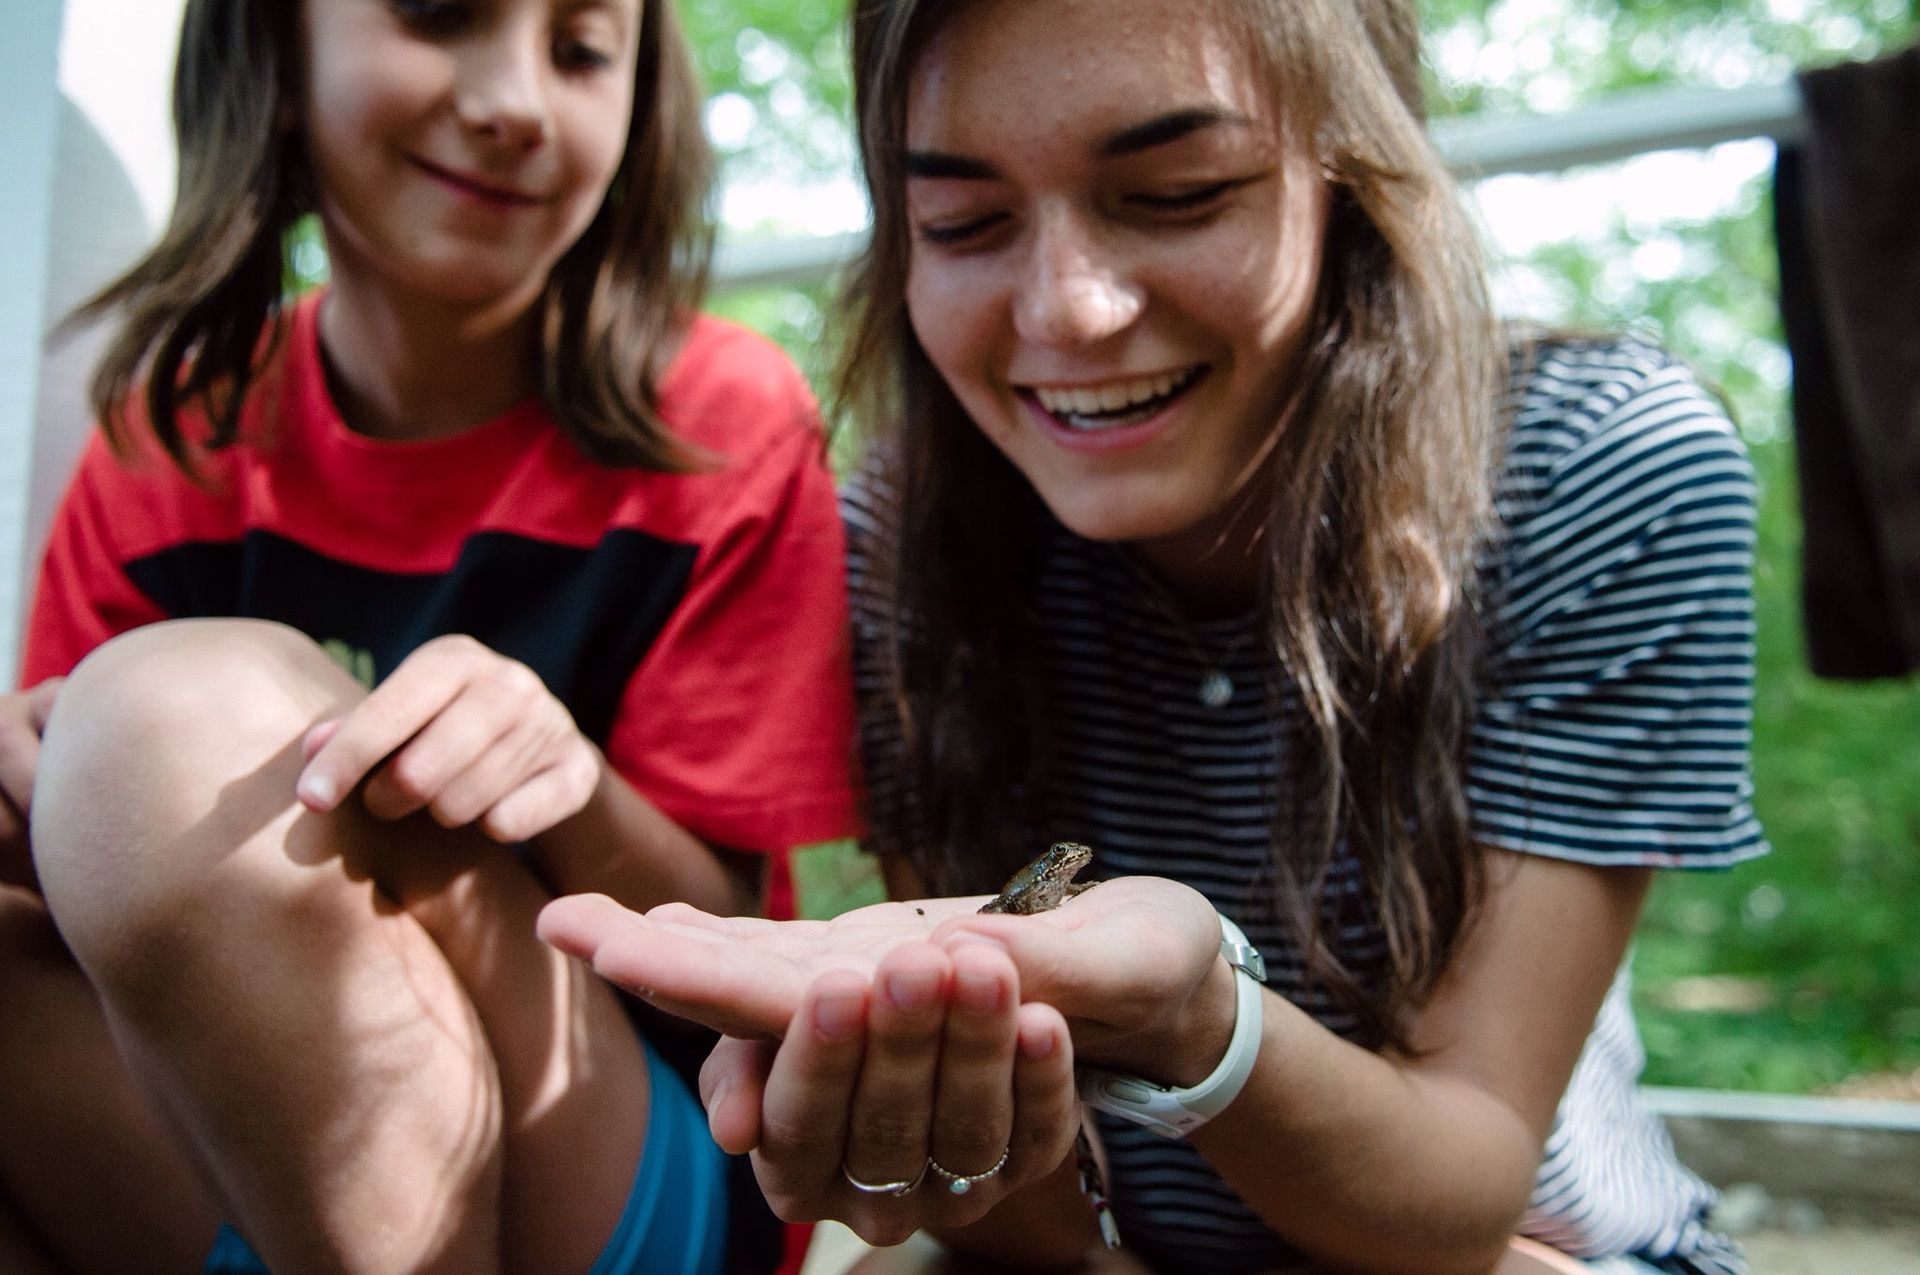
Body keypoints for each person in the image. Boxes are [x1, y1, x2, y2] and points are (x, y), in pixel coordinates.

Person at [539, 0, 1768, 1272]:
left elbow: (1464, 1198)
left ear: (1354, 178)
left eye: (1179, 192)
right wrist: (939, 1087)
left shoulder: (1600, 463)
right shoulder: (897, 536)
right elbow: (1032, 1224)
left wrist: (1203, 1022)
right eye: (962, 223)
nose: (1068, 310)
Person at [0, 0, 856, 1271]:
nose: (514, 98)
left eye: (581, 49)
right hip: (233, 1150)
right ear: (276, 57)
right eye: (442, 15)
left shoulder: (722, 422)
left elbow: (735, 932)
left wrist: (560, 781)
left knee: (174, 716)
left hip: (641, 1153)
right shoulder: (167, 434)